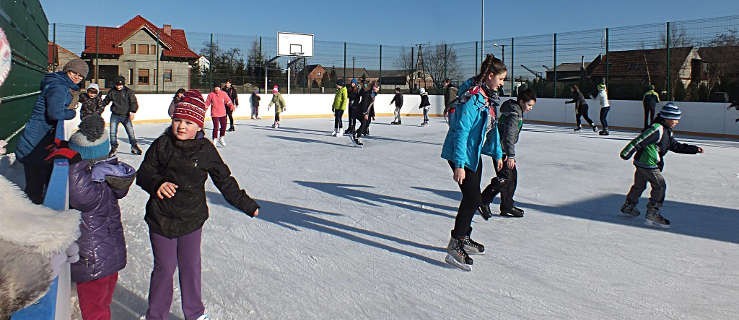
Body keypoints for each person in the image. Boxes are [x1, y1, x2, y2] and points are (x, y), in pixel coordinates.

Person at [136, 90, 259, 320]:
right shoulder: (162, 144)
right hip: (161, 218)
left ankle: (194, 313)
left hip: (191, 218)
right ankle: (156, 315)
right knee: (164, 268)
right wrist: (157, 183)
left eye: (189, 122)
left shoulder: (205, 151)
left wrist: (245, 203)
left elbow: (224, 180)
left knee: (190, 267)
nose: (182, 126)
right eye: (178, 121)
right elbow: (144, 173)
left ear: (199, 126)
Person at [67, 113, 136, 320]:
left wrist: (73, 163)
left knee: (95, 311)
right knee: (102, 305)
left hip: (93, 262)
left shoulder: (90, 184)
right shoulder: (108, 173)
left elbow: (78, 194)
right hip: (109, 257)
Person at [440, 54, 505, 271]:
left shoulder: (489, 97)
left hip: (473, 153)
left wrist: (497, 154)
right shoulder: (472, 97)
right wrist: (458, 164)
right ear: (489, 76)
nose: (502, 83)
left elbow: (492, 128)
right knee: (472, 197)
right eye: (501, 79)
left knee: (473, 196)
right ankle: (455, 243)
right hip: (461, 153)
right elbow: (461, 130)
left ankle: (463, 237)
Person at [15, 58, 88, 204]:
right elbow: (55, 114)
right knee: (34, 187)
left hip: (37, 137)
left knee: (36, 180)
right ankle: (31, 214)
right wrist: (71, 113)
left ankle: (33, 206)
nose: (77, 77)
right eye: (74, 72)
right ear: (67, 70)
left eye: (81, 76)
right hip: (35, 142)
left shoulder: (58, 82)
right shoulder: (59, 86)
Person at [619, 103, 703, 228]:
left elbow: (675, 146)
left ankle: (629, 206)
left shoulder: (667, 131)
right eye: (675, 119)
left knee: (639, 185)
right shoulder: (656, 128)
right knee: (660, 186)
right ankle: (653, 212)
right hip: (648, 163)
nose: (677, 122)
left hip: (643, 163)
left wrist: (693, 149)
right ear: (666, 118)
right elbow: (640, 140)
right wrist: (626, 153)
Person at [480, 88, 537, 219]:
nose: (530, 108)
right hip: (502, 151)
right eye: (529, 105)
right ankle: (484, 200)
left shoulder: (514, 110)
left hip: (502, 150)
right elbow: (508, 136)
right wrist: (510, 155)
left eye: (532, 106)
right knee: (505, 179)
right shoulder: (514, 114)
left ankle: (507, 206)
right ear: (521, 101)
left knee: (511, 179)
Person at [102, 76, 141, 156]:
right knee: (112, 132)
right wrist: (100, 107)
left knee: (130, 132)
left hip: (126, 115)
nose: (119, 86)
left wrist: (132, 112)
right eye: (117, 85)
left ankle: (134, 146)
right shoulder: (112, 91)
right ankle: (114, 148)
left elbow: (133, 102)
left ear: (123, 84)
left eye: (120, 85)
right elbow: (106, 101)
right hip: (115, 115)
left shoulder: (128, 91)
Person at [205, 81, 234, 147]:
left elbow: (228, 101)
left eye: (218, 87)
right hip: (214, 113)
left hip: (222, 113)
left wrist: (231, 105)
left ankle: (221, 137)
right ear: (214, 88)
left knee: (224, 126)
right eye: (215, 87)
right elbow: (207, 104)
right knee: (216, 127)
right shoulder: (211, 95)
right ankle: (215, 139)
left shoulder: (223, 94)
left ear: (220, 88)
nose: (217, 89)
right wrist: (204, 110)